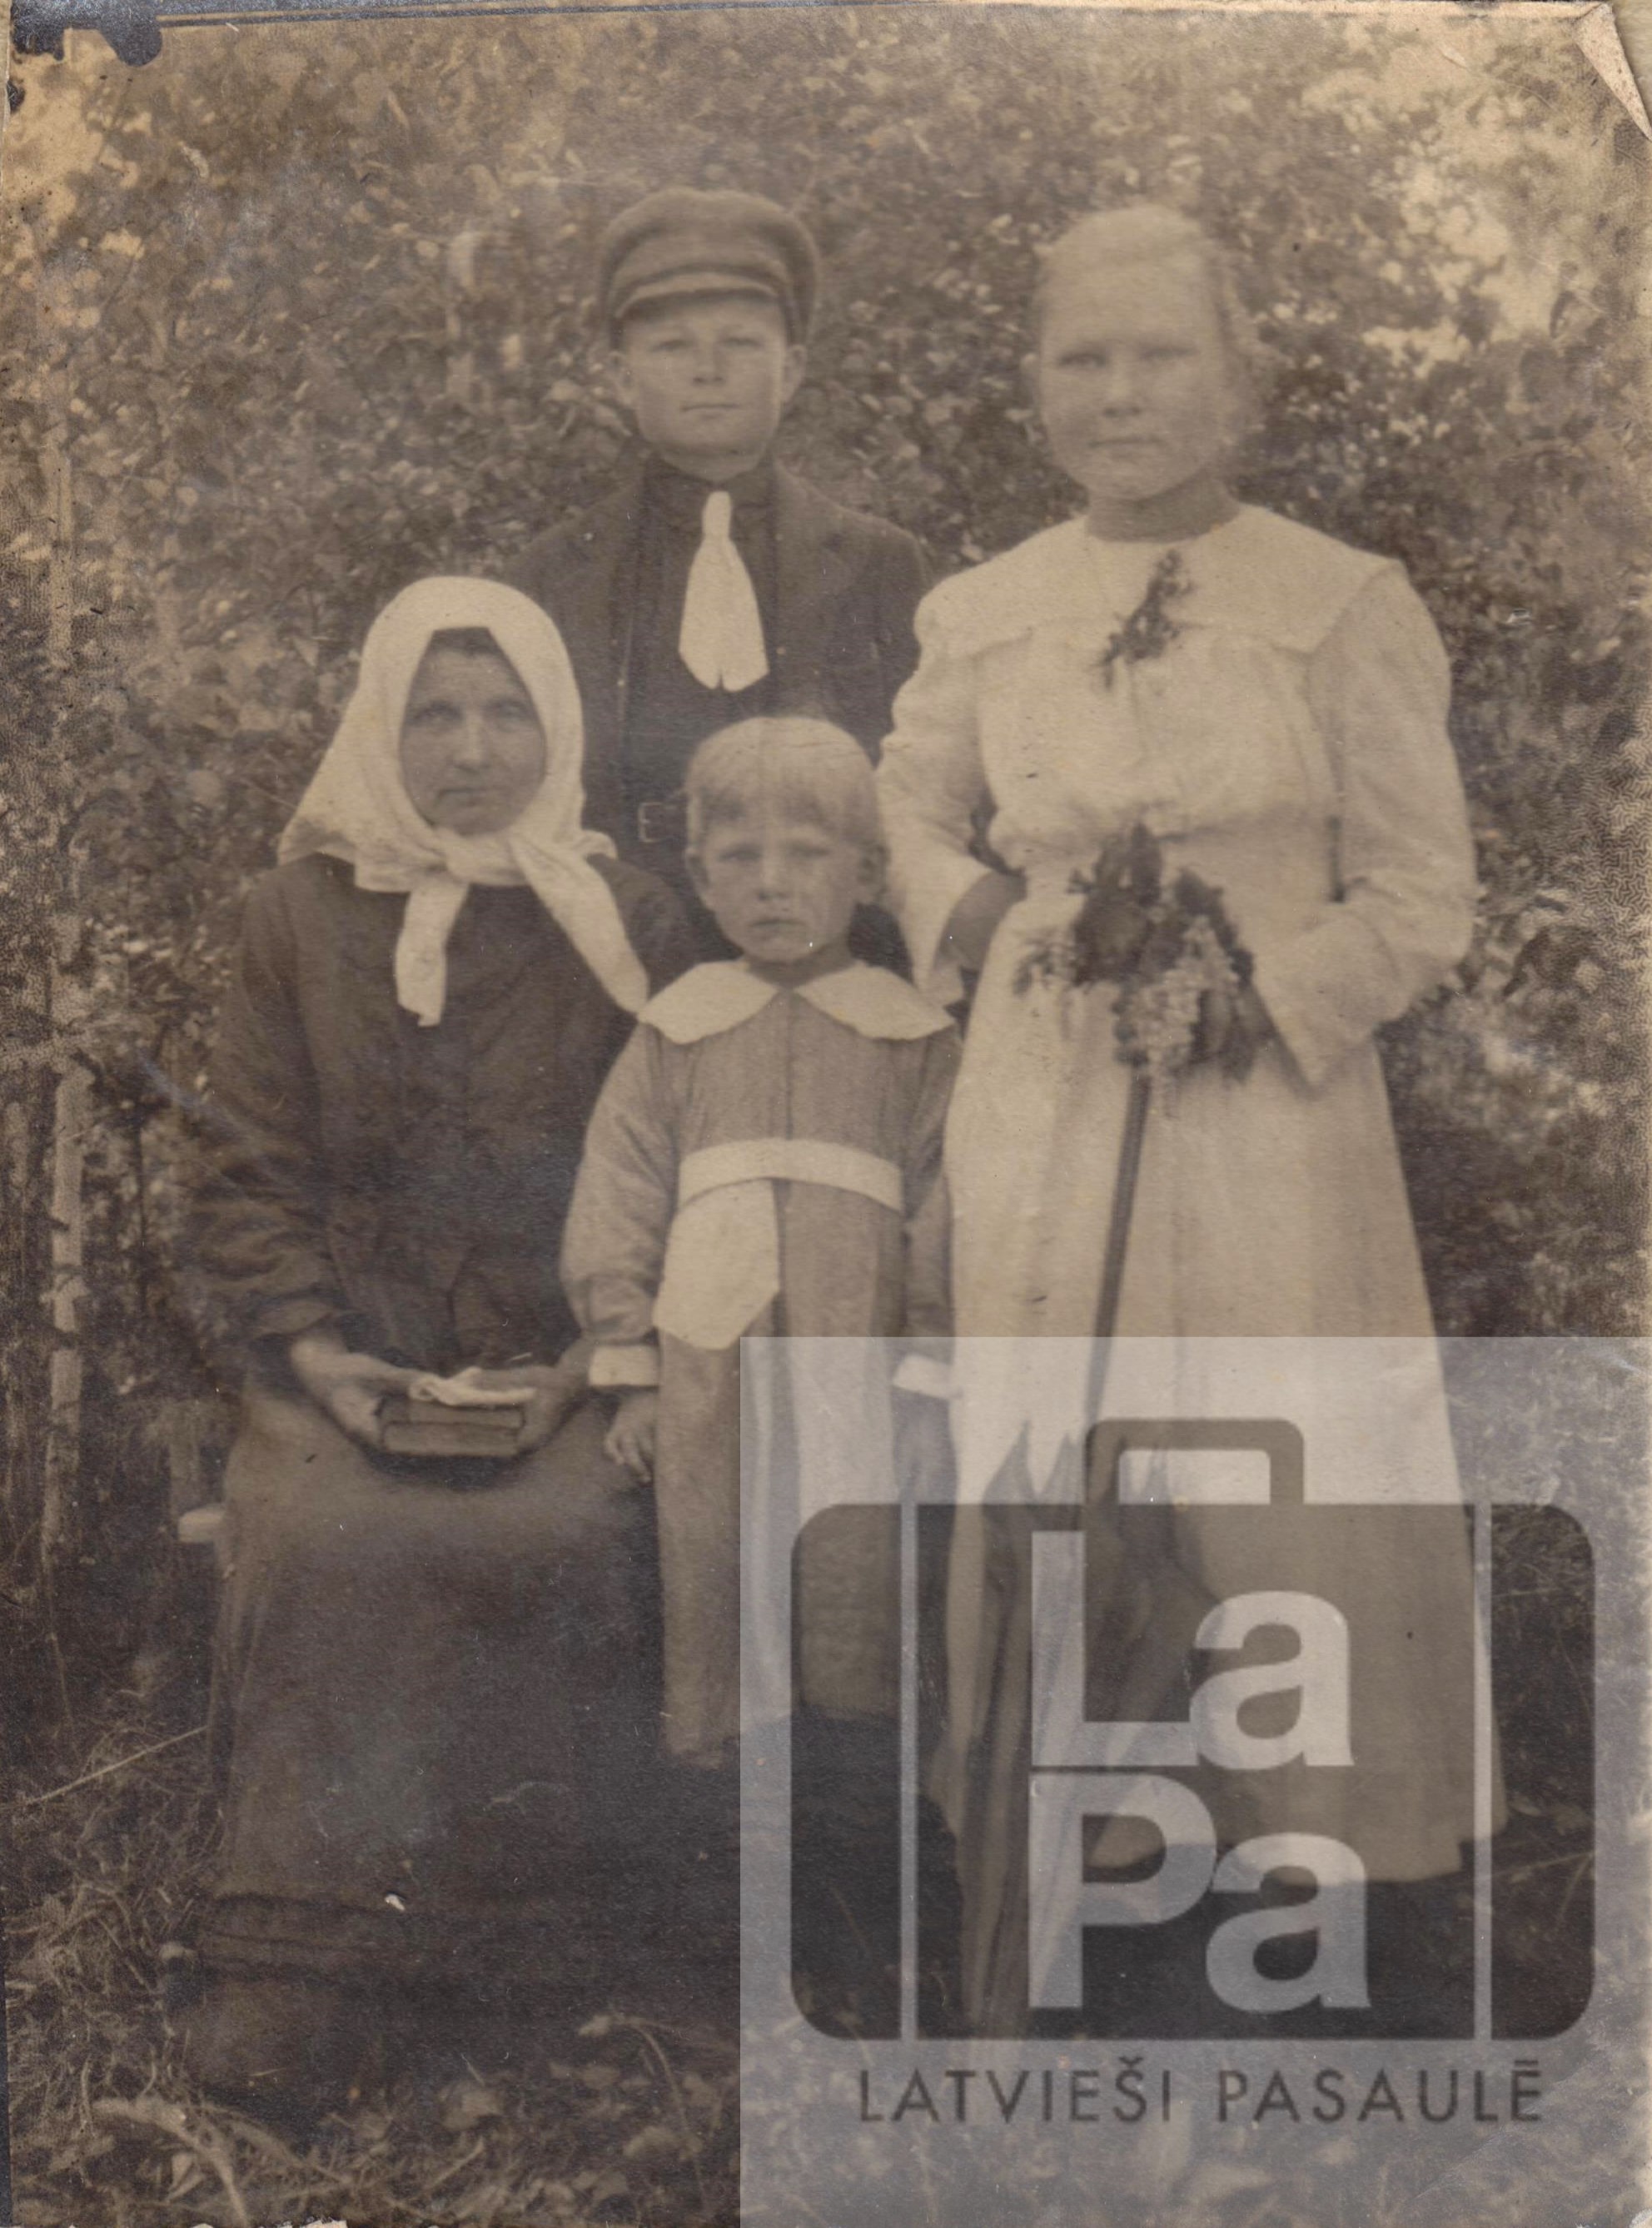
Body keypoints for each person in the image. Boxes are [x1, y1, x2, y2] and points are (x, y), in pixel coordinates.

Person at [877, 205, 1500, 2034]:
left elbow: (1419, 896)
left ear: (1238, 382)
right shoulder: (982, 610)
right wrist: (983, 929)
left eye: (1159, 355)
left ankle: (1316, 1894)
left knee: (1272, 1465)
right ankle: (1074, 1883)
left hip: (1267, 1123)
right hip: (1044, 1099)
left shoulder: (1335, 602)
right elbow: (902, 812)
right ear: (1032, 387)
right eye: (1080, 358)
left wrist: (1261, 994)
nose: (1118, 393)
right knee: (1062, 1450)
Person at [181, 577, 693, 2119]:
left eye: (506, 713)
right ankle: (304, 1974)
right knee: (324, 1538)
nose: (472, 750)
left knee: (567, 1535)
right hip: (344, 1362)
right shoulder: (294, 915)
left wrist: (587, 1362)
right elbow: (246, 1167)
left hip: (571, 1363)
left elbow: (686, 1167)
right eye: (436, 715)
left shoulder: (632, 918)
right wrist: (320, 1355)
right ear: (380, 731)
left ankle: (535, 1985)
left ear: (558, 727)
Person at [560, 717, 960, 2032]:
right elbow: (620, 1197)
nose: (773, 883)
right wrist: (632, 1370)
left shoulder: (910, 1039)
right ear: (699, 873)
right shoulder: (676, 1034)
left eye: (809, 854)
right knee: (720, 1615)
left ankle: (864, 1934)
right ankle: (728, 1941)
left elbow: (949, 1209)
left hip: (858, 1378)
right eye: (740, 858)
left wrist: (929, 1377)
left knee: (854, 1618)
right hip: (713, 1388)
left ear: (868, 873)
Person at [508, 186, 928, 958]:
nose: (707, 370)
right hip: (612, 944)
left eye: (739, 343)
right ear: (620, 376)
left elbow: (917, 792)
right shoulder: (554, 574)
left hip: (828, 951)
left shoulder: (877, 562)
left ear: (791, 369)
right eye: (671, 347)